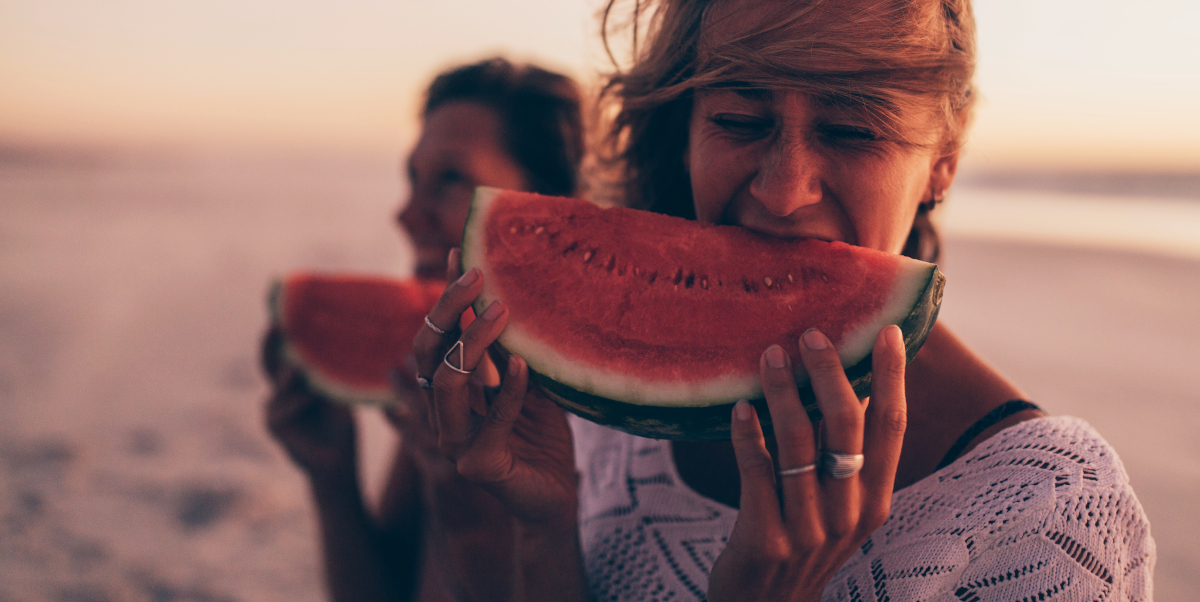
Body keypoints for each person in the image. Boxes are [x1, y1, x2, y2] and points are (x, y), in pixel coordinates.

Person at [412, 1, 1156, 601]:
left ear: (943, 166)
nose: (782, 189)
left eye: (851, 129)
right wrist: (542, 526)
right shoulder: (597, 419)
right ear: (687, 128)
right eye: (739, 120)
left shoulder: (1049, 519)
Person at [264, 57, 585, 602]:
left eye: (451, 179)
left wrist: (471, 523)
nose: (406, 214)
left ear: (546, 213)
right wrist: (333, 478)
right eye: (413, 177)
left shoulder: (598, 429)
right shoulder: (447, 386)